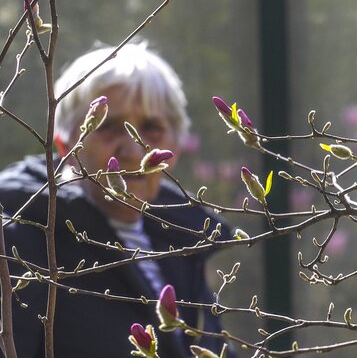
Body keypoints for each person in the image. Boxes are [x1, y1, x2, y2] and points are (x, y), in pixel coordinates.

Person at [0, 42, 230, 358]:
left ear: (176, 143)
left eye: (152, 127)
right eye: (109, 127)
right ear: (66, 143)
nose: (134, 151)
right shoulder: (18, 242)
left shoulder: (183, 242)